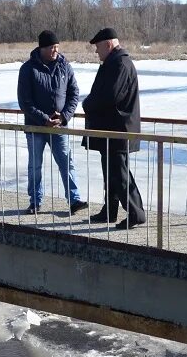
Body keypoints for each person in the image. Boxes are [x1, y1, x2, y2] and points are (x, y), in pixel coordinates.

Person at [17, 30, 88, 215]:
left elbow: (74, 94)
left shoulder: (65, 66)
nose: (55, 50)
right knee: (35, 166)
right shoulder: (28, 69)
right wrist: (43, 119)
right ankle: (35, 201)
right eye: (51, 47)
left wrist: (64, 116)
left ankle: (74, 200)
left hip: (59, 126)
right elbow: (25, 101)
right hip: (35, 126)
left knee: (67, 162)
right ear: (42, 48)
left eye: (57, 46)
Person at [82, 27, 146, 230]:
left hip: (118, 130)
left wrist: (87, 104)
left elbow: (109, 96)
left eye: (98, 47)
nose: (96, 51)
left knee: (120, 174)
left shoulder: (120, 64)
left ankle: (136, 213)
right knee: (111, 173)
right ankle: (109, 211)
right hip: (112, 129)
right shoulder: (115, 62)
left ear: (109, 44)